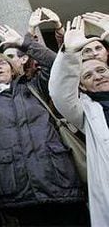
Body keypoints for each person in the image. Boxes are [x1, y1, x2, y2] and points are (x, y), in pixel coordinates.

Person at [0, 26, 86, 226]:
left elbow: (56, 65)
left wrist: (24, 43)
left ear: (14, 67)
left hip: (57, 180)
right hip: (17, 188)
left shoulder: (35, 87)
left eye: (3, 63)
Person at [49, 16, 109, 226]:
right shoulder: (86, 111)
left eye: (101, 70)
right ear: (81, 86)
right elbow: (59, 91)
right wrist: (69, 54)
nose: (98, 76)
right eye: (89, 75)